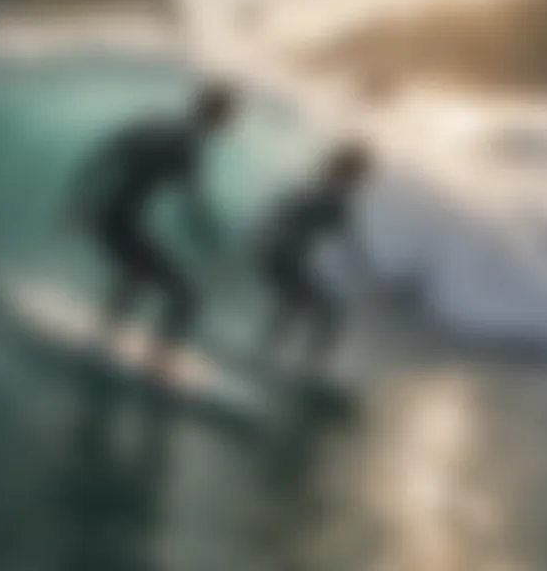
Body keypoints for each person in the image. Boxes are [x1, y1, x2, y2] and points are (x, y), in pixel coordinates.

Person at [61, 80, 238, 376]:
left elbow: (108, 152)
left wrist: (81, 200)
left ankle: (101, 339)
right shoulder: (187, 143)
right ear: (215, 114)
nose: (230, 122)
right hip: (119, 218)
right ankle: (155, 362)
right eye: (227, 115)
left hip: (112, 215)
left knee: (136, 275)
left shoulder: (159, 126)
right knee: (185, 295)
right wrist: (213, 243)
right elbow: (191, 204)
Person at [257, 142, 373, 374]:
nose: (362, 179)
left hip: (276, 251)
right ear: (351, 172)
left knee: (294, 302)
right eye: (360, 173)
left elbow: (281, 210)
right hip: (286, 255)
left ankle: (263, 353)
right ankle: (306, 369)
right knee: (330, 314)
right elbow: (350, 241)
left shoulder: (316, 186)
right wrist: (370, 273)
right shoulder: (335, 198)